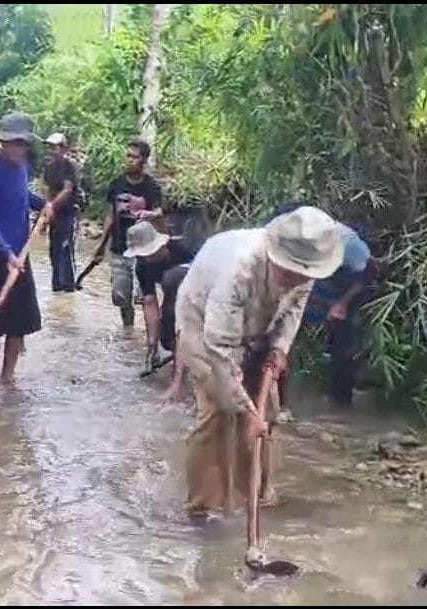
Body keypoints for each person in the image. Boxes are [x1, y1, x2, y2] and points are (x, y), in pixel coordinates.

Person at [175, 206, 345, 522]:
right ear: (276, 253)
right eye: (292, 272)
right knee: (217, 410)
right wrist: (244, 408)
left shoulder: (308, 269)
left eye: (305, 275)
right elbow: (221, 349)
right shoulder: (240, 270)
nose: (300, 279)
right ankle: (202, 507)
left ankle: (252, 496)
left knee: (267, 414)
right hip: (202, 326)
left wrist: (280, 348)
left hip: (258, 328)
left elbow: (294, 310)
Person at [267, 203, 377, 409]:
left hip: (346, 289)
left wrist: (343, 304)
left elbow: (369, 271)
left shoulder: (347, 243)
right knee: (282, 341)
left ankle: (341, 403)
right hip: (313, 286)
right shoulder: (284, 242)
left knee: (342, 344)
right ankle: (280, 403)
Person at [0, 112, 51, 383]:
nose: (18, 149)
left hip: (21, 255)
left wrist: (43, 204)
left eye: (23, 144)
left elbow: (23, 196)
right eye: (13, 143)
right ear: (2, 142)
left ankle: (7, 378)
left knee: (19, 324)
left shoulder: (23, 166)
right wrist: (6, 253)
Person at [92, 139, 163, 327]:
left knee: (144, 296)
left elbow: (161, 212)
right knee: (120, 296)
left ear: (144, 160)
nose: (129, 160)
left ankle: (149, 334)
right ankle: (128, 332)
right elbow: (109, 215)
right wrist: (100, 246)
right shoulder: (116, 184)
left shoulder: (152, 187)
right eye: (128, 156)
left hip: (143, 250)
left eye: (134, 157)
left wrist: (151, 214)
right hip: (119, 246)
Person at [124, 220, 195, 373]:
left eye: (146, 254)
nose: (143, 259)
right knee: (167, 338)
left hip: (198, 288)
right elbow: (150, 303)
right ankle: (179, 361)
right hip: (173, 293)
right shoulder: (142, 266)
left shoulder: (182, 248)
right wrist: (151, 347)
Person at [43, 132, 81, 293]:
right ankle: (57, 287)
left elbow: (67, 190)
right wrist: (45, 213)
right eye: (50, 148)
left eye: (55, 147)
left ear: (64, 149)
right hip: (55, 215)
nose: (52, 151)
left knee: (66, 249)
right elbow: (47, 190)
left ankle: (69, 287)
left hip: (69, 213)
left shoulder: (70, 167)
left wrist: (52, 205)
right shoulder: (49, 168)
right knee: (54, 250)